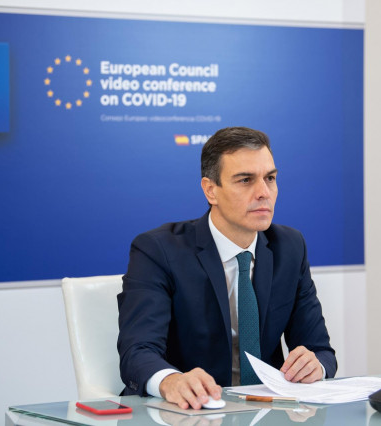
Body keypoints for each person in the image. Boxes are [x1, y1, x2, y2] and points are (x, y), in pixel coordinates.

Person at [117, 126, 336, 410]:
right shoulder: (158, 250)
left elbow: (321, 350)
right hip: (186, 412)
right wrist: (171, 381)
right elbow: (138, 351)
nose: (263, 193)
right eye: (245, 180)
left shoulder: (290, 246)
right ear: (211, 190)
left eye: (270, 178)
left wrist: (315, 365)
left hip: (267, 411)